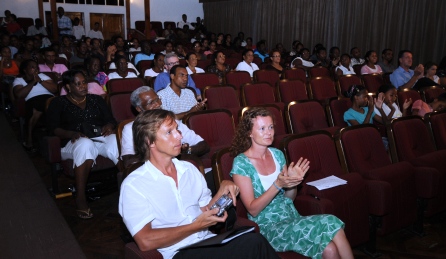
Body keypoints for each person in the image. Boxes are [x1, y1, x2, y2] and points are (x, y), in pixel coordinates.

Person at [119, 109, 280, 259]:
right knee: (254, 244)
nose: (179, 136)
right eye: (169, 132)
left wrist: (221, 191)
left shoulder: (189, 169)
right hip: (178, 252)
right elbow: (145, 241)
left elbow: (205, 211)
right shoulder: (134, 185)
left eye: (177, 130)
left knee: (251, 240)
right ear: (150, 141)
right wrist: (195, 226)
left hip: (207, 242)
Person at [230, 107, 354, 259]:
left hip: (291, 217)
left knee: (330, 249)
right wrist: (278, 184)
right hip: (267, 228)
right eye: (262, 128)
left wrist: (293, 183)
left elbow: (289, 199)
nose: (268, 132)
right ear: (249, 132)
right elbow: (253, 209)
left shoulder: (277, 154)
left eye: (271, 127)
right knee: (330, 222)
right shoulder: (241, 163)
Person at [47, 70, 119, 219]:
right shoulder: (58, 103)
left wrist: (109, 126)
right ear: (68, 86)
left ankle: (128, 187)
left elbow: (110, 119)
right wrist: (71, 134)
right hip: (71, 143)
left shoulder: (96, 99)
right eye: (78, 84)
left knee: (115, 141)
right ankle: (80, 198)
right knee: (85, 144)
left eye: (84, 82)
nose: (83, 86)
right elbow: (53, 128)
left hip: (98, 138)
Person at [120, 86, 210, 168]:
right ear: (139, 109)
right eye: (151, 103)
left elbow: (204, 145)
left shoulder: (173, 122)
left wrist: (187, 151)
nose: (158, 104)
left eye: (158, 99)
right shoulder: (130, 129)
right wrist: (164, 153)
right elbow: (128, 161)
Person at [13, 59, 57, 150]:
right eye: (32, 67)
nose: (35, 69)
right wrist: (33, 82)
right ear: (25, 70)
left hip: (49, 98)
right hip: (32, 100)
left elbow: (54, 89)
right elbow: (19, 95)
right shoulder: (18, 80)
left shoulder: (42, 76)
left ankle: (29, 139)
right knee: (36, 107)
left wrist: (40, 81)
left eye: (36, 67)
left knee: (38, 110)